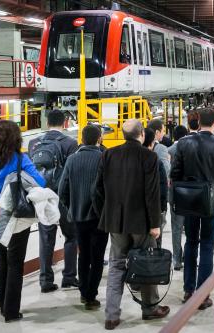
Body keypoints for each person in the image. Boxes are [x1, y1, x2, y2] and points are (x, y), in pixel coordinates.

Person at [94, 119, 170, 330]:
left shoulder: (108, 154)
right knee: (147, 264)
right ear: (142, 135)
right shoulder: (149, 156)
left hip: (115, 223)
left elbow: (98, 189)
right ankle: (150, 308)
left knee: (117, 265)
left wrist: (105, 214)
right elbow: (152, 193)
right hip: (142, 222)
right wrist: (155, 224)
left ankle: (111, 316)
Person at [0, 120, 46, 322]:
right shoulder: (20, 159)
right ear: (16, 139)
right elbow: (40, 182)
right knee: (15, 263)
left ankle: (2, 302)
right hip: (16, 216)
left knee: (3, 259)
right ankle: (11, 310)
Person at [171, 108, 214, 310]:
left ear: (198, 123)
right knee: (207, 246)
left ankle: (188, 290)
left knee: (190, 243)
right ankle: (203, 293)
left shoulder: (183, 143)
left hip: (189, 203)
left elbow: (175, 173)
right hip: (212, 205)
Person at [28, 109, 79, 292]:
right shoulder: (71, 143)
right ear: (65, 123)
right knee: (71, 236)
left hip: (42, 197)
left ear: (47, 123)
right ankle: (69, 277)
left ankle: (45, 280)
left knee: (46, 237)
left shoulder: (33, 144)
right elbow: (72, 172)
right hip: (63, 197)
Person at [60, 124, 107, 310]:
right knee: (97, 258)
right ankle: (91, 296)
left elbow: (62, 189)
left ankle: (83, 292)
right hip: (100, 217)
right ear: (99, 139)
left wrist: (71, 207)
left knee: (84, 256)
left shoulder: (72, 160)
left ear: (82, 139)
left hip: (78, 218)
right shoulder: (104, 157)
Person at [167, 125, 188, 271]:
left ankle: (176, 259)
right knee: (192, 228)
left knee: (176, 228)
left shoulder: (169, 151)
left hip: (174, 195)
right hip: (191, 194)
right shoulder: (191, 149)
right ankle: (188, 255)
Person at [143, 128, 168, 247]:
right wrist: (163, 208)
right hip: (154, 210)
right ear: (152, 143)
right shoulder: (156, 161)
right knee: (155, 244)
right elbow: (163, 187)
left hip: (133, 212)